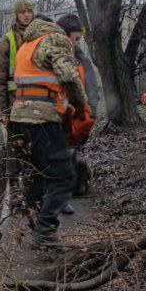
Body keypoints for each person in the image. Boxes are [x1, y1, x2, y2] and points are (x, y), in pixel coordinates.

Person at [8, 17, 89, 248]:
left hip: (20, 118)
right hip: (41, 117)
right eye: (75, 39)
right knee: (65, 176)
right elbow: (69, 76)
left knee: (39, 173)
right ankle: (44, 231)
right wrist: (81, 105)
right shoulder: (55, 39)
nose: (75, 43)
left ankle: (34, 220)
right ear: (66, 32)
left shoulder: (27, 44)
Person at [55, 13, 100, 207]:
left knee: (69, 149)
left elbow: (91, 88)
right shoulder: (54, 56)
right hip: (59, 112)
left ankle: (72, 185)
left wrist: (92, 110)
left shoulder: (82, 60)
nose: (77, 43)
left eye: (78, 39)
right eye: (75, 39)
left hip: (75, 114)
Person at [0, 0, 35, 133]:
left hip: (38, 104)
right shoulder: (7, 41)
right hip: (15, 105)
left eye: (29, 11)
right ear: (16, 15)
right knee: (16, 146)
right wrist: (2, 111)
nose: (26, 15)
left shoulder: (41, 37)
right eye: (22, 12)